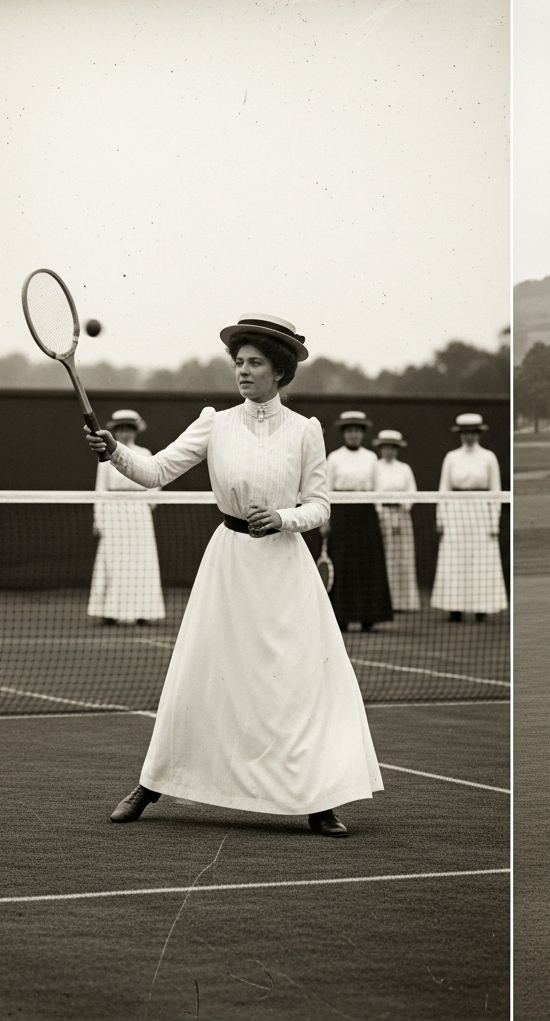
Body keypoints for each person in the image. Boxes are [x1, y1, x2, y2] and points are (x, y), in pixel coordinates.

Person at [85, 314, 383, 837]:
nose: (242, 372)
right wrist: (115, 453)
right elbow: (154, 472)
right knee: (199, 674)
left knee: (297, 682)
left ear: (279, 372)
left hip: (285, 567)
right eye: (238, 363)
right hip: (227, 563)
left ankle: (320, 802)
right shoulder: (214, 422)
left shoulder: (306, 431)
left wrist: (285, 519)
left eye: (254, 363)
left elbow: (318, 504)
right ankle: (151, 783)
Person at [87, 409, 166, 626]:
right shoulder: (105, 456)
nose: (124, 434)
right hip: (113, 513)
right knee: (113, 561)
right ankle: (109, 612)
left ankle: (143, 612)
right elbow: (100, 488)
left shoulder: (145, 453)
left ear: (135, 432)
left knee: (141, 561)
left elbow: (154, 481)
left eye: (128, 430)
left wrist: (146, 506)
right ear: (115, 431)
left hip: (138, 513)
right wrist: (99, 519)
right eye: (121, 430)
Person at [430, 413, 508, 622]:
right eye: (465, 433)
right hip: (456, 514)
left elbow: (496, 491)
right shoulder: (451, 457)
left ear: (478, 434)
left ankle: (480, 609)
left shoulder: (489, 457)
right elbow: (443, 490)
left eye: (473, 433)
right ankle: (454, 609)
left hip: (481, 515)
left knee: (480, 560)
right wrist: (441, 519)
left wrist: (494, 522)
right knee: (455, 559)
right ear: (460, 434)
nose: (469, 437)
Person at [323, 411, 394, 632]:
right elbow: (325, 488)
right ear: (344, 433)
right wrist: (325, 518)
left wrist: (380, 516)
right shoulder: (334, 457)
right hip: (342, 513)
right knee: (343, 563)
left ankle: (368, 617)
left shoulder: (371, 458)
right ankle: (341, 617)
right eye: (350, 431)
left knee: (367, 564)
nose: (354, 435)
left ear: (362, 434)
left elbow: (377, 489)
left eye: (357, 431)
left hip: (366, 514)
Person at [373, 429, 420, 612]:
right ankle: (386, 602)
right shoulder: (374, 466)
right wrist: (380, 513)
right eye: (386, 447)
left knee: (403, 559)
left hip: (402, 516)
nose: (389, 451)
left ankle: (403, 602)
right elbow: (373, 492)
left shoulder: (404, 468)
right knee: (383, 559)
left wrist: (401, 513)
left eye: (393, 447)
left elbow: (412, 492)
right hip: (381, 515)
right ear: (380, 448)